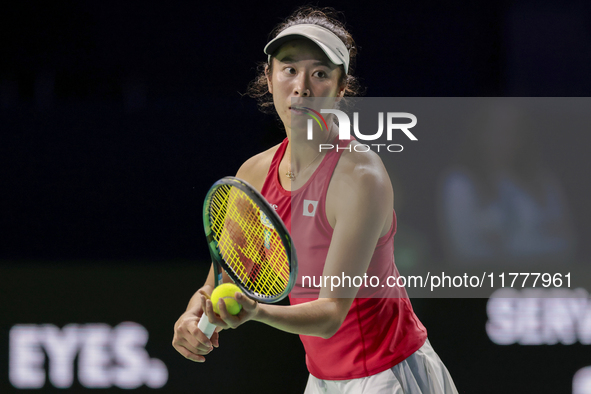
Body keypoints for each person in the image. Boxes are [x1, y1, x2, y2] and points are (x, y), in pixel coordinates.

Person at [173, 6, 458, 393]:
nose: (302, 87)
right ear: (269, 77)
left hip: (390, 374)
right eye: (289, 69)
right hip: (324, 379)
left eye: (320, 74)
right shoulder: (253, 175)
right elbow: (222, 279)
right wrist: (193, 314)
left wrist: (255, 311)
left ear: (341, 89)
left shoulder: (360, 177)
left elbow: (331, 314)